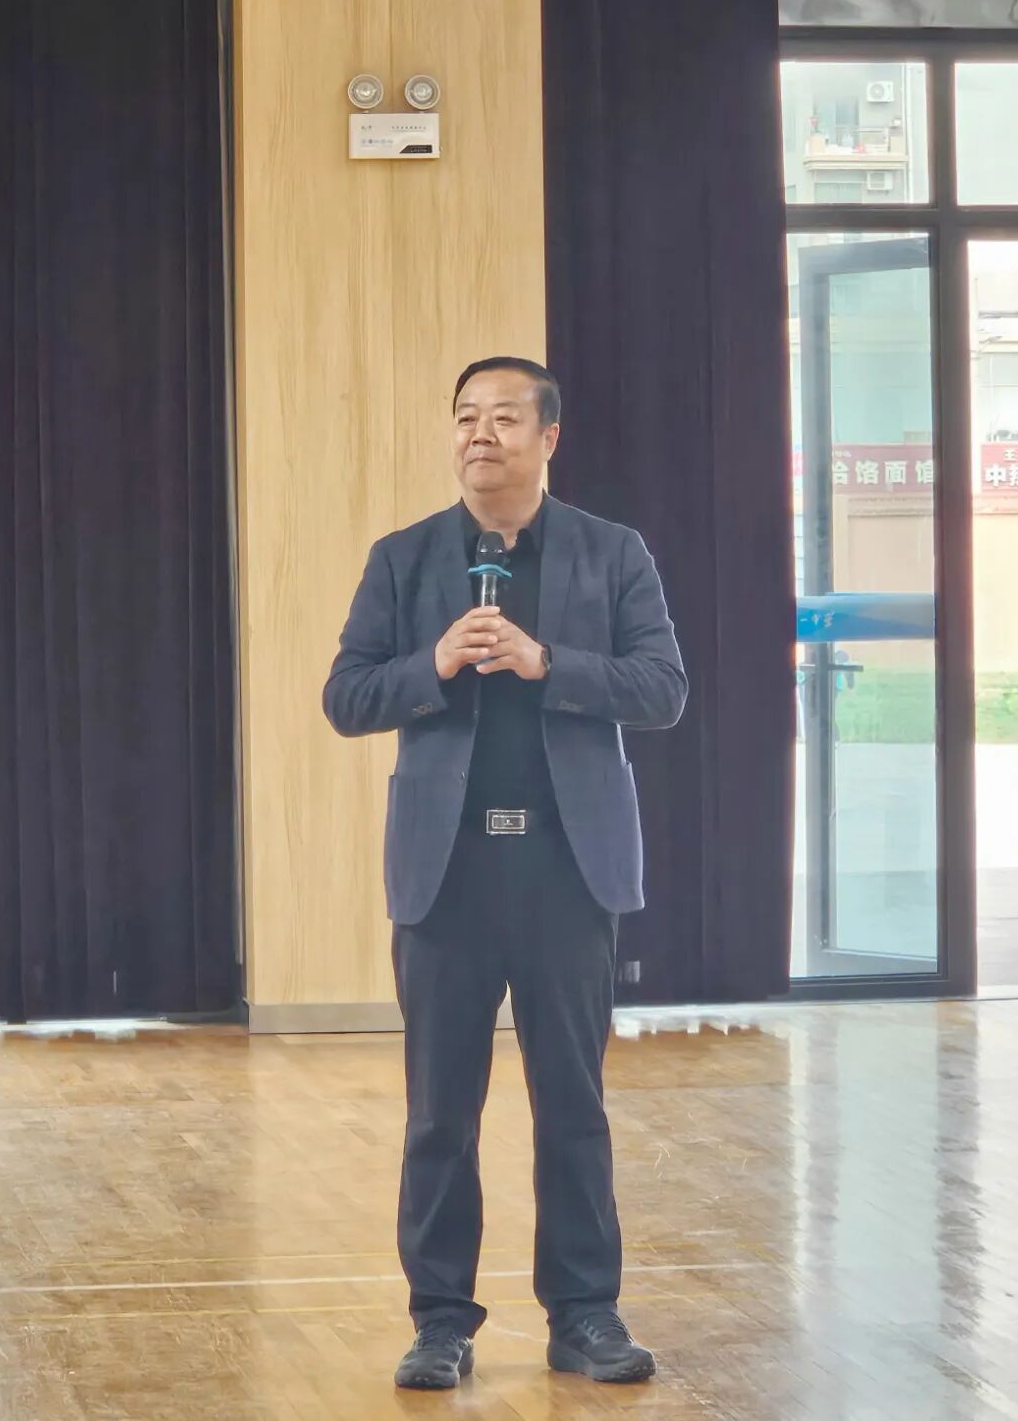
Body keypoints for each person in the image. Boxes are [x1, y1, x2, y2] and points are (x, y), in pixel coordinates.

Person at [323, 358, 687, 1390]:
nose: (480, 434)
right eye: (466, 418)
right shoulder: (404, 559)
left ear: (548, 437)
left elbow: (662, 689)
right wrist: (433, 664)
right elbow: (346, 696)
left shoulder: (612, 554)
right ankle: (440, 1322)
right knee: (440, 1112)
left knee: (572, 1103)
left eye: (503, 418)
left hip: (568, 874)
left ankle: (586, 1316)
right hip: (447, 876)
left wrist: (547, 662)